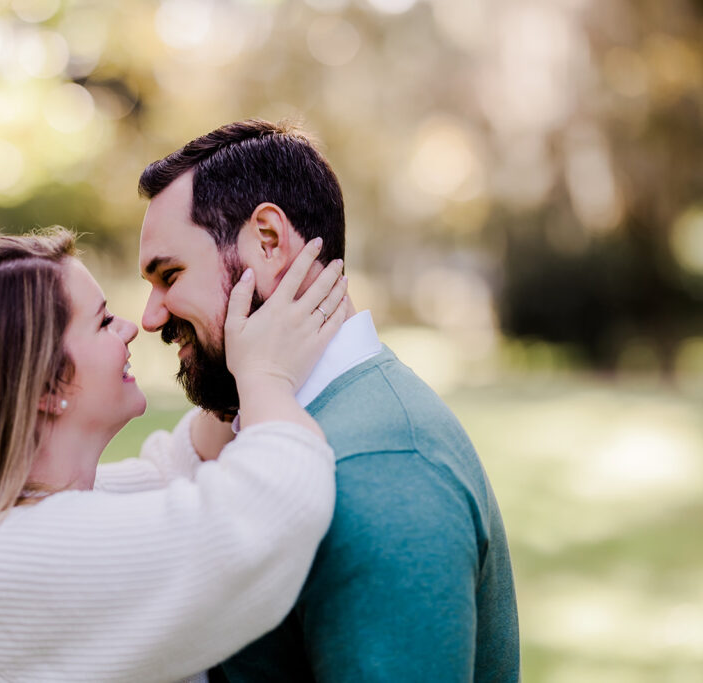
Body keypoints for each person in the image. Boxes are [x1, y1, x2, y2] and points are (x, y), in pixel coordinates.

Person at [0, 228, 350, 682]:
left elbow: (176, 468)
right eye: (103, 321)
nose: (131, 328)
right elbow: (271, 507)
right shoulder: (11, 562)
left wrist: (238, 346)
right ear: (46, 386)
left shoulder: (29, 518)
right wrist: (266, 377)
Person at [137, 119, 520, 681]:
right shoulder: (280, 424)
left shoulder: (383, 471)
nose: (150, 318)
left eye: (170, 275)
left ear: (268, 241)